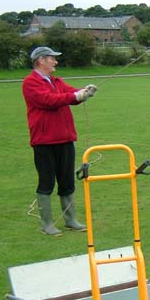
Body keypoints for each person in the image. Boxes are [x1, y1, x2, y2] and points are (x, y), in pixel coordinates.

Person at [22, 46, 97, 236]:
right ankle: (47, 224)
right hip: (44, 141)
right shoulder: (30, 83)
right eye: (52, 59)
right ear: (41, 61)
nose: (55, 62)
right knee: (46, 182)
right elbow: (48, 100)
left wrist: (84, 92)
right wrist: (74, 95)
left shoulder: (56, 81)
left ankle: (70, 219)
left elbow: (71, 95)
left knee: (67, 181)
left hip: (65, 138)